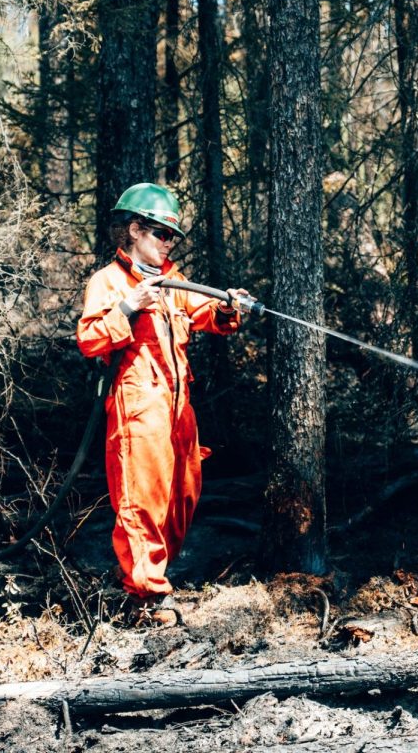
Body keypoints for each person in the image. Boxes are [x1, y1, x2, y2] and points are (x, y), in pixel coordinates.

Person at [76, 183, 251, 617]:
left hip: (179, 409)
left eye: (172, 237)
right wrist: (128, 307)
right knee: (142, 500)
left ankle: (153, 577)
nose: (168, 243)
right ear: (135, 230)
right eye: (162, 234)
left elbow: (211, 318)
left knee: (183, 497)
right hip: (139, 407)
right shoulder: (109, 282)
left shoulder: (174, 283)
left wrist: (230, 306)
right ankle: (148, 595)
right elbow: (89, 339)